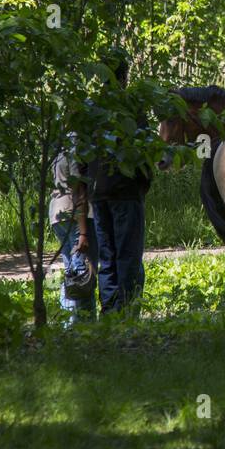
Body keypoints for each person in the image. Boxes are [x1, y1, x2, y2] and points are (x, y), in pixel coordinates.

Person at [87, 51, 150, 314]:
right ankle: (128, 311)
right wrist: (143, 184)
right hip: (125, 191)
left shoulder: (91, 108)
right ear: (124, 76)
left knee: (108, 256)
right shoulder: (131, 106)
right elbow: (146, 149)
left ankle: (110, 310)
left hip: (98, 192)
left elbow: (83, 151)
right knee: (128, 255)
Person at [49, 134, 97, 325]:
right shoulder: (76, 147)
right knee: (83, 271)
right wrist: (84, 232)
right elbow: (78, 190)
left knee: (71, 270)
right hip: (73, 213)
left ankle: (68, 321)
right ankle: (86, 323)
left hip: (57, 213)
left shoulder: (59, 145)